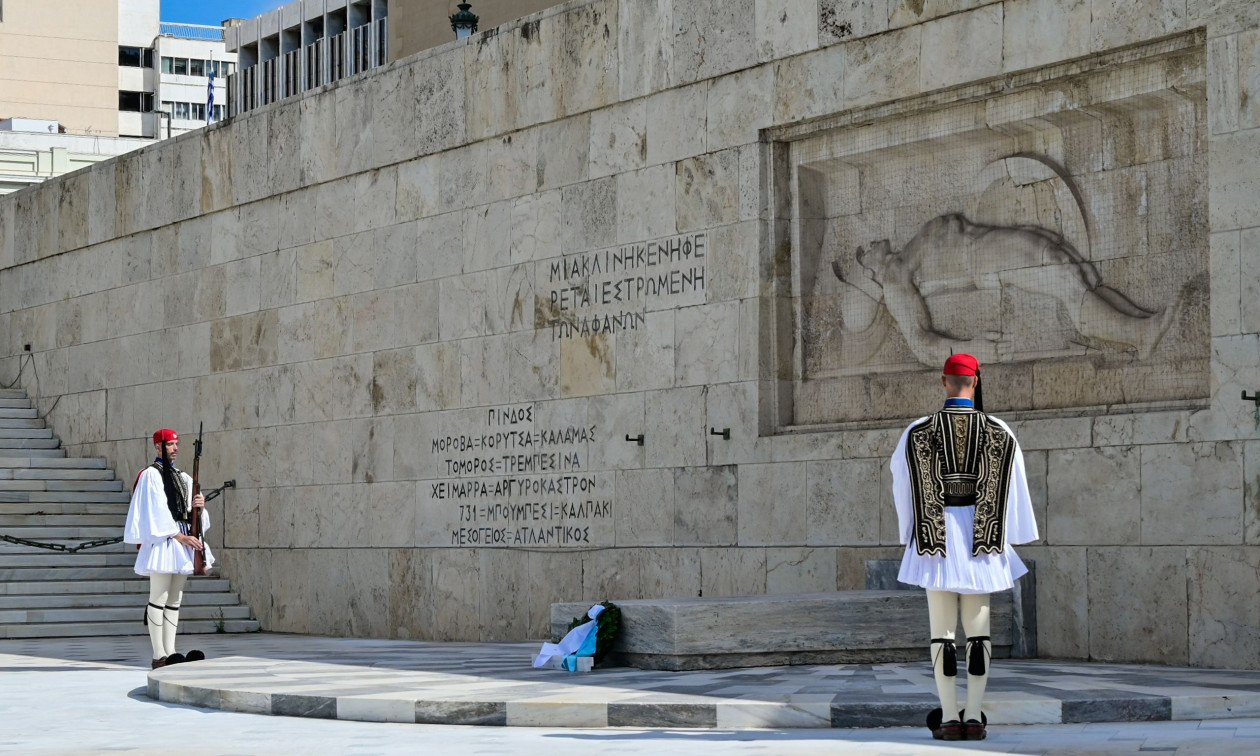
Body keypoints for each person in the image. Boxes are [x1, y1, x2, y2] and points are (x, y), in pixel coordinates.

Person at [889, 354, 1039, 740]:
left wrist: (910, 532)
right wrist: (1008, 535)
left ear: (944, 382)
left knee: (941, 633)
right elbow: (1015, 490)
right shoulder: (1000, 431)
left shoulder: (917, 431)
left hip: (935, 539)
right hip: (981, 542)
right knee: (978, 633)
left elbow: (902, 486)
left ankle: (949, 718)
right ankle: (973, 716)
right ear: (976, 381)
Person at [123, 428, 215, 669]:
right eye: (170, 444)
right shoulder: (151, 475)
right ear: (157, 447)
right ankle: (158, 655)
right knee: (159, 598)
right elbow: (155, 511)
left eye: (176, 444)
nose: (175, 448)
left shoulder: (184, 477)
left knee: (175, 599)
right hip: (165, 541)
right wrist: (178, 536)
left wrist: (199, 506)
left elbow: (194, 516)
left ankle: (171, 651)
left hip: (182, 540)